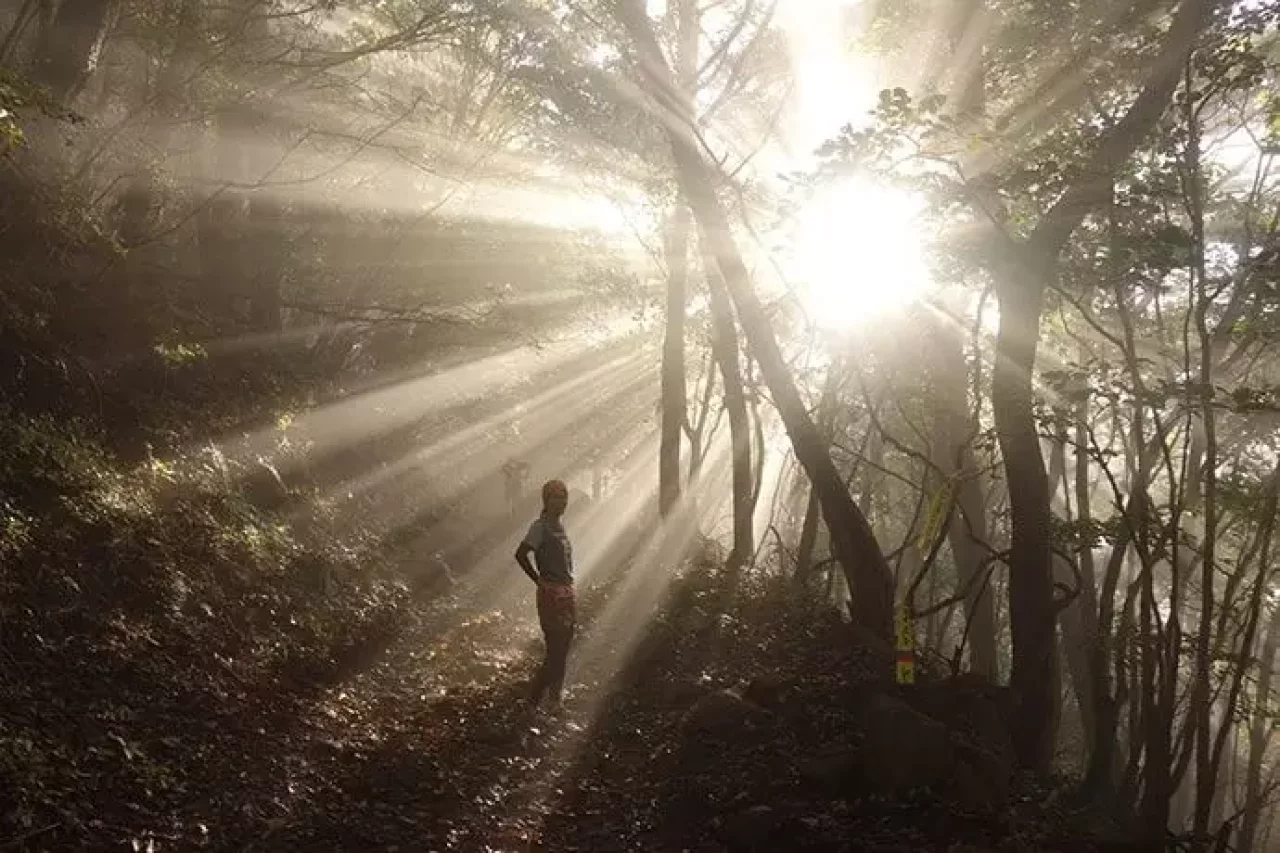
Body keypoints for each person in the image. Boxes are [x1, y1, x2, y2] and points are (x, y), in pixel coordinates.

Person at [514, 479, 576, 712]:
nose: (561, 501)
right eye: (556, 497)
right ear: (546, 500)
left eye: (564, 496)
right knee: (555, 649)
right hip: (551, 595)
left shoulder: (561, 526)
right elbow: (520, 554)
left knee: (565, 645)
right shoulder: (540, 527)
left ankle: (554, 699)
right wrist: (537, 579)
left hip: (568, 593)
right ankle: (533, 700)